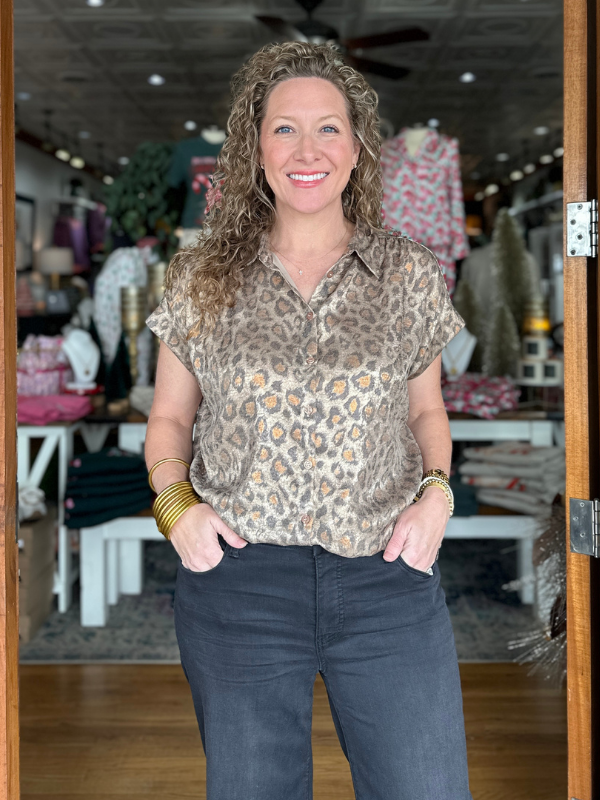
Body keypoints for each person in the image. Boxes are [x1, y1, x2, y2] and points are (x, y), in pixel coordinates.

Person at [145, 40, 472, 800]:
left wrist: (437, 496)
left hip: (388, 581)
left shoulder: (408, 272)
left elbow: (428, 410)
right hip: (239, 584)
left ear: (357, 148)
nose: (308, 149)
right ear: (254, 148)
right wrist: (177, 512)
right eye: (285, 128)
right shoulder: (202, 277)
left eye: (329, 128)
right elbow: (167, 420)